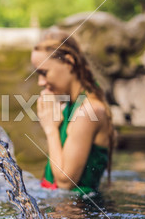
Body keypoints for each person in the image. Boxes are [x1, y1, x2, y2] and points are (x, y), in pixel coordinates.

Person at [31, 30, 114, 194]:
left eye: (44, 73)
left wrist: (51, 129)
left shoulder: (89, 112)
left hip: (78, 215)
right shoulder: (70, 105)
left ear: (69, 63)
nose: (40, 82)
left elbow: (65, 183)